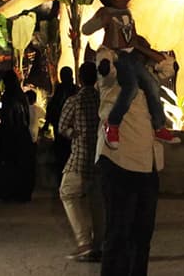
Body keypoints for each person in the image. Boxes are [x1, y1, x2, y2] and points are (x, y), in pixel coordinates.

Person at [95, 45, 173, 276]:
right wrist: (119, 47)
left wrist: (139, 45)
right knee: (118, 234)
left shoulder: (148, 78)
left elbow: (168, 66)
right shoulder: (112, 76)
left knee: (142, 235)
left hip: (148, 165)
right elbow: (105, 65)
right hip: (119, 161)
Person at [81, 0, 179, 149]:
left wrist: (153, 55)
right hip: (120, 57)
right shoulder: (108, 14)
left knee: (152, 84)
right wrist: (100, 19)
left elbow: (133, 40)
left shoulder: (127, 13)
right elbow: (87, 30)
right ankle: (113, 124)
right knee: (131, 87)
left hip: (132, 55)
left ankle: (159, 126)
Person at [59, 61, 104, 262]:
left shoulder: (74, 101)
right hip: (101, 157)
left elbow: (61, 127)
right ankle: (99, 243)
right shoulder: (103, 99)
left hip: (80, 156)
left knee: (67, 193)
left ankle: (84, 242)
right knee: (97, 201)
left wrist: (73, 133)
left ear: (80, 78)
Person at [0, 70, 35, 203]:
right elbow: (26, 118)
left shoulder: (8, 96)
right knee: (22, 165)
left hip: (11, 135)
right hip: (22, 135)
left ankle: (10, 191)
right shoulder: (21, 96)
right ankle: (21, 192)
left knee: (10, 165)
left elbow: (7, 118)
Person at [44, 66, 78, 180]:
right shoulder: (75, 90)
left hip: (61, 129)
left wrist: (46, 124)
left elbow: (51, 108)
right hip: (73, 130)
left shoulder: (60, 90)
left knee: (61, 157)